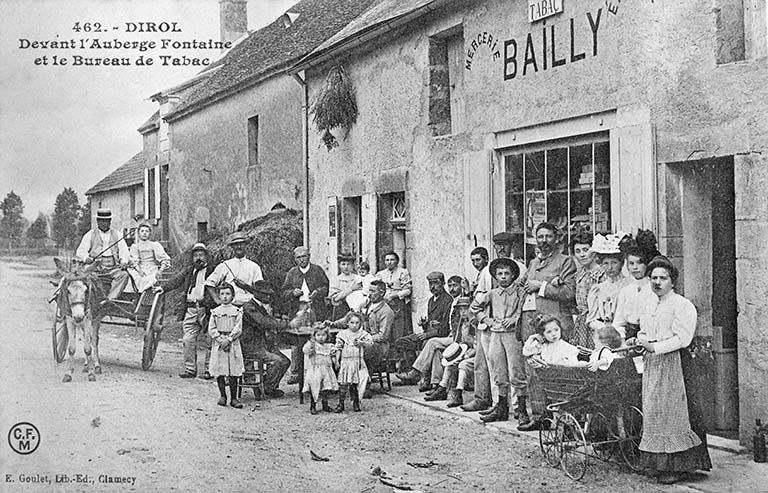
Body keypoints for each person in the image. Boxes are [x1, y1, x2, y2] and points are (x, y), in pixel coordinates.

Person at [626, 256, 711, 484]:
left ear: (672, 281)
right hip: (654, 363)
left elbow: (682, 338)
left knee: (674, 412)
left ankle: (680, 466)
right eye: (653, 278)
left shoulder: (682, 305)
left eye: (663, 278)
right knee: (655, 411)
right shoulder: (649, 304)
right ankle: (658, 464)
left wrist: (654, 346)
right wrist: (640, 340)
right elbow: (644, 330)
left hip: (675, 363)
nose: (657, 282)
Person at [517, 222, 577, 431]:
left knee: (560, 372)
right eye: (540, 237)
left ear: (556, 238)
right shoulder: (533, 263)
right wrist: (548, 283)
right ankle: (540, 417)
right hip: (532, 323)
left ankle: (567, 422)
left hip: (555, 326)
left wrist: (541, 286)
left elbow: (569, 293)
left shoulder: (565, 262)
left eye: (548, 236)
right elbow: (523, 286)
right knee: (533, 371)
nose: (544, 241)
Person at [475, 258, 526, 423]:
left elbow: (523, 310)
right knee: (498, 370)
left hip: (512, 336)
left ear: (513, 276)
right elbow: (474, 307)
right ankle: (501, 408)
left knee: (516, 371)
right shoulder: (492, 293)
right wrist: (486, 320)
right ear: (495, 277)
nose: (503, 277)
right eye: (500, 274)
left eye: (506, 274)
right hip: (496, 335)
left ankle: (522, 410)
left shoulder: (519, 292)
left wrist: (515, 319)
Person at [155, 243, 216, 379]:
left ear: (206, 256)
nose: (198, 258)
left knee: (210, 339)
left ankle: (208, 370)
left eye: (201, 255)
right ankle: (190, 369)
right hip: (190, 309)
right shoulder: (189, 270)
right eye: (195, 255)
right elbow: (176, 280)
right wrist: (163, 288)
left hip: (206, 310)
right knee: (188, 339)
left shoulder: (213, 270)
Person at [398, 275, 464, 394]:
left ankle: (416, 372)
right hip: (438, 334)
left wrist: (429, 334)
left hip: (452, 337)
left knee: (431, 343)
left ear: (441, 284)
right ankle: (435, 385)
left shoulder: (450, 301)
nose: (432, 287)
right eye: (430, 284)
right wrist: (425, 323)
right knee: (430, 349)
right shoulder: (433, 300)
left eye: (436, 283)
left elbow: (446, 327)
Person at [281, 246, 330, 384]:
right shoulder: (292, 273)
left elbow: (326, 287)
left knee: (318, 338)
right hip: (298, 309)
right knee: (296, 341)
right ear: (295, 259)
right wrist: (292, 293)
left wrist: (318, 292)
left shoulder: (317, 270)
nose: (302, 260)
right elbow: (283, 292)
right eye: (298, 257)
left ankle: (320, 372)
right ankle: (296, 372)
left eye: (304, 256)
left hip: (315, 308)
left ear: (309, 256)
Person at [240, 280, 292, 398]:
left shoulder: (259, 306)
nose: (268, 296)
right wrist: (287, 324)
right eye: (265, 294)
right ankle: (268, 387)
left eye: (269, 294)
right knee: (277, 361)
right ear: (256, 293)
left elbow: (270, 321)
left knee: (285, 361)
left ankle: (269, 386)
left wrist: (283, 322)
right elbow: (264, 322)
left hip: (262, 344)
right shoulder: (249, 307)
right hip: (251, 346)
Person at [461, 247, 495, 413]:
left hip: (493, 322)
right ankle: (482, 398)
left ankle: (489, 400)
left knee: (489, 363)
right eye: (473, 261)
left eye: (478, 260)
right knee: (481, 362)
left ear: (486, 258)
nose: (476, 264)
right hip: (483, 322)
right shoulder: (483, 274)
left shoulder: (491, 271)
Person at [425, 295, 476, 404]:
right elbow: (459, 342)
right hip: (464, 351)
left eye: (466, 309)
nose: (463, 312)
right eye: (461, 309)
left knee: (462, 364)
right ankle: (442, 388)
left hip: (475, 354)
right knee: (450, 362)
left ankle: (458, 393)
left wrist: (466, 355)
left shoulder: (474, 325)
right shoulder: (462, 324)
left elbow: (478, 346)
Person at [75, 208, 131, 301]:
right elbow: (80, 251)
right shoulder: (90, 234)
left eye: (107, 221)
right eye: (102, 221)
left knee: (124, 275)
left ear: (110, 221)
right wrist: (86, 258)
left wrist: (123, 260)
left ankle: (110, 299)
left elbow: (124, 251)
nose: (105, 223)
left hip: (113, 267)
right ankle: (95, 300)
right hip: (95, 267)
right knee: (88, 277)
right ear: (97, 221)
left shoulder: (117, 234)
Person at [585, 233, 630, 346]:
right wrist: (604, 328)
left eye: (614, 263)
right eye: (606, 263)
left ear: (622, 263)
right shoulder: (598, 289)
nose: (609, 268)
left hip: (625, 335)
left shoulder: (628, 286)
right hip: (603, 337)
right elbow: (591, 319)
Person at [208, 283, 245, 409]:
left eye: (228, 294)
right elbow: (211, 328)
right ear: (219, 295)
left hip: (232, 343)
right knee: (220, 370)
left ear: (233, 296)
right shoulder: (215, 311)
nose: (225, 297)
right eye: (222, 294)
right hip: (219, 343)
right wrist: (219, 339)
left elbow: (238, 328)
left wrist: (229, 339)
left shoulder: (237, 311)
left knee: (233, 371)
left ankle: (234, 398)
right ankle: (223, 395)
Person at [204, 231, 264, 307]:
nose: (239, 246)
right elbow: (209, 283)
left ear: (246, 245)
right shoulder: (225, 265)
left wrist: (245, 286)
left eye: (241, 244)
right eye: (236, 244)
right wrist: (218, 301)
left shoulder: (254, 267)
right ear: (232, 246)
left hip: (248, 307)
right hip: (230, 307)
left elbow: (260, 291)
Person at [613, 243, 657, 340]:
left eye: (639, 263)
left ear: (647, 264)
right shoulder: (625, 290)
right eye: (631, 263)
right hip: (628, 335)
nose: (635, 267)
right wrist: (621, 336)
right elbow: (619, 320)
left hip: (649, 335)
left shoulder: (653, 289)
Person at [569, 232, 605, 348]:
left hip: (598, 322)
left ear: (593, 251)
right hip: (582, 323)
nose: (582, 255)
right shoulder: (579, 274)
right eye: (578, 252)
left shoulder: (602, 274)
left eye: (585, 250)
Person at [335, 312, 373, 413]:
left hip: (357, 361)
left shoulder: (362, 334)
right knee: (343, 383)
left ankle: (356, 402)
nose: (354, 325)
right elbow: (338, 348)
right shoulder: (343, 334)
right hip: (346, 362)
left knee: (355, 383)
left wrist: (362, 343)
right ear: (347, 323)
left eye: (357, 323)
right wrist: (337, 361)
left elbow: (370, 344)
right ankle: (341, 403)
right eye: (352, 322)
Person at [376, 251, 413, 342]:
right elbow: (375, 288)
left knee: (398, 327)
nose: (389, 262)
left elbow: (408, 290)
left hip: (398, 303)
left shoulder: (402, 272)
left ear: (397, 261)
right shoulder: (381, 274)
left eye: (392, 260)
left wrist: (394, 295)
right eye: (387, 260)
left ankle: (399, 349)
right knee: (385, 325)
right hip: (384, 302)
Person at [302, 325, 338, 414]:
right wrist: (310, 347)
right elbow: (305, 350)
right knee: (315, 387)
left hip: (326, 370)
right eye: (318, 335)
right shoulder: (313, 345)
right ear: (314, 336)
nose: (321, 337)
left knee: (326, 388)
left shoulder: (329, 346)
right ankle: (313, 405)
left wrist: (335, 361)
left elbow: (333, 355)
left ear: (327, 336)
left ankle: (325, 404)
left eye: (323, 335)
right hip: (315, 370)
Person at [129, 222, 171, 292]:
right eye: (142, 231)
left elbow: (164, 259)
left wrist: (160, 271)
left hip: (152, 269)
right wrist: (139, 271)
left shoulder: (154, 245)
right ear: (138, 233)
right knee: (136, 278)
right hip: (140, 269)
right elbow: (134, 261)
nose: (144, 233)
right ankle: (139, 297)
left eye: (147, 231)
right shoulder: (135, 246)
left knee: (151, 280)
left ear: (150, 234)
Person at [328, 252, 362, 319]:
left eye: (348, 264)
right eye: (343, 264)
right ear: (339, 265)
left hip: (356, 310)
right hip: (341, 310)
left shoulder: (357, 278)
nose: (346, 267)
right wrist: (351, 289)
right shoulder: (336, 280)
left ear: (352, 265)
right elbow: (335, 298)